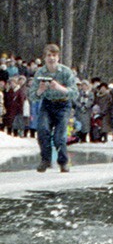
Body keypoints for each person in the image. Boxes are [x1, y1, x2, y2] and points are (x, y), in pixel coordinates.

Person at [31, 44, 78, 172]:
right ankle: (45, 160)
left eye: (54, 55)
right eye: (49, 55)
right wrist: (40, 90)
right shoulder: (40, 73)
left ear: (58, 57)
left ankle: (63, 162)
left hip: (63, 105)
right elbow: (32, 96)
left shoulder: (66, 72)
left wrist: (59, 88)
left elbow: (75, 93)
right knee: (42, 130)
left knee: (60, 136)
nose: (51, 58)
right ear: (45, 58)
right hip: (47, 104)